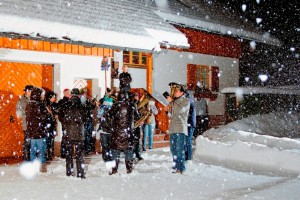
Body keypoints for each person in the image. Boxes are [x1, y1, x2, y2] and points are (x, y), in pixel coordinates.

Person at [105, 90, 136, 175]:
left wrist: (111, 126)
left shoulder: (115, 106)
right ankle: (129, 169)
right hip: (127, 133)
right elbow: (137, 116)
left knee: (115, 152)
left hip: (116, 133)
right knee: (128, 151)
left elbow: (107, 116)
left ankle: (114, 169)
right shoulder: (130, 106)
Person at [165, 83, 190, 174]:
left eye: (176, 91)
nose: (175, 93)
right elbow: (171, 116)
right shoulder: (174, 102)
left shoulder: (186, 100)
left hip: (180, 128)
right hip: (173, 128)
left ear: (182, 93)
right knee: (173, 149)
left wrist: (172, 102)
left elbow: (180, 110)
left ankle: (180, 168)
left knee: (180, 150)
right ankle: (176, 166)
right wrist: (167, 111)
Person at [63, 88, 86, 179]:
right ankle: (80, 173)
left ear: (71, 95)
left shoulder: (66, 104)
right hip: (79, 133)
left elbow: (62, 117)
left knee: (69, 154)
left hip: (68, 132)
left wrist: (66, 124)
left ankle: (69, 172)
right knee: (79, 154)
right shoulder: (81, 105)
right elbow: (86, 117)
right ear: (78, 95)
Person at [25, 87, 48, 172]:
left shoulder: (29, 104)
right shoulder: (40, 105)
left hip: (32, 132)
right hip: (40, 131)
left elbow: (28, 118)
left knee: (33, 151)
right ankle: (42, 168)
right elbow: (43, 118)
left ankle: (32, 166)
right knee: (41, 150)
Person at [16, 85, 33, 161]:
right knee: (27, 141)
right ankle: (26, 157)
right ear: (27, 91)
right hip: (26, 124)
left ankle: (31, 157)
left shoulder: (33, 100)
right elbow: (18, 113)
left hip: (34, 125)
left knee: (32, 141)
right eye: (31, 91)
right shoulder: (21, 100)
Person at [97, 93, 114, 162]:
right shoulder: (113, 108)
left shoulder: (102, 107)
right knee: (109, 145)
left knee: (105, 145)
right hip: (110, 129)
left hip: (103, 129)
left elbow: (98, 116)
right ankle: (109, 157)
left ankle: (106, 158)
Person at [80, 88, 96, 155]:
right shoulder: (82, 99)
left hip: (88, 119)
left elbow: (91, 107)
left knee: (89, 134)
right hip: (85, 120)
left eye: (86, 92)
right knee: (85, 135)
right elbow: (85, 108)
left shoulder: (86, 99)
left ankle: (88, 149)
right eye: (85, 93)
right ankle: (85, 149)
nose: (86, 94)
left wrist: (93, 102)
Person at [57, 88, 71, 158]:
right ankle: (64, 153)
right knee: (65, 137)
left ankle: (67, 152)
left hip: (69, 121)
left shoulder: (70, 101)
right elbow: (60, 113)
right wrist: (63, 120)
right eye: (68, 93)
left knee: (68, 137)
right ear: (65, 93)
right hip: (66, 122)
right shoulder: (62, 102)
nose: (70, 94)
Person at [45, 91, 59, 161]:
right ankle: (47, 154)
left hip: (52, 124)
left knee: (52, 139)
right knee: (48, 140)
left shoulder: (54, 105)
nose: (55, 98)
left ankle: (51, 153)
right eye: (53, 97)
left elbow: (56, 113)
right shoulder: (46, 105)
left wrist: (55, 114)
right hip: (47, 124)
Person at [185, 90, 196, 161]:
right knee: (186, 140)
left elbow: (189, 114)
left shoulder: (189, 100)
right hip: (189, 123)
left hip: (190, 123)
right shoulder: (189, 100)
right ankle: (187, 156)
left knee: (188, 141)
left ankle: (189, 157)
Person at [132, 92, 143, 161]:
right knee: (133, 141)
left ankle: (137, 154)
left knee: (137, 140)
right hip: (133, 124)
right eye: (135, 96)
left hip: (137, 124)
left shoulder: (139, 103)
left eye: (137, 96)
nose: (137, 97)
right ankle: (132, 154)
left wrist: (142, 118)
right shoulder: (132, 104)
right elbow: (134, 114)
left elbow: (140, 113)